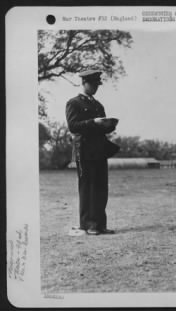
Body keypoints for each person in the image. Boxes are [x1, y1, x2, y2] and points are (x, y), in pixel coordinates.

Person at [65, 69, 118, 235]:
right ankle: (88, 224)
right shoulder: (73, 103)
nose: (96, 87)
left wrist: (109, 125)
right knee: (88, 186)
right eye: (93, 84)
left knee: (101, 187)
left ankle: (100, 224)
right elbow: (73, 126)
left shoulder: (98, 105)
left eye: (97, 84)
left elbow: (101, 128)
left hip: (99, 149)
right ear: (84, 83)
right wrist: (93, 122)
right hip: (85, 149)